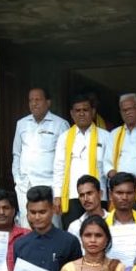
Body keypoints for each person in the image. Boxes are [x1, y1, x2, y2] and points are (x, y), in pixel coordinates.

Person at [12, 87, 70, 228]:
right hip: (25, 184)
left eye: (38, 99)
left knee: (52, 225)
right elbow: (16, 153)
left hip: (50, 185)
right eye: (31, 100)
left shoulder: (60, 124)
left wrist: (59, 190)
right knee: (26, 225)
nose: (34, 103)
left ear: (48, 102)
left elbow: (65, 159)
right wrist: (17, 179)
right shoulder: (21, 123)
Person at [54, 93, 109, 230]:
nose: (81, 114)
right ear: (72, 114)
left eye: (85, 110)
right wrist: (57, 195)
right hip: (72, 195)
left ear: (93, 112)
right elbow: (59, 168)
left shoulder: (106, 136)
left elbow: (110, 168)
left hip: (99, 195)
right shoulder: (64, 137)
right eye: (78, 110)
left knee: (99, 231)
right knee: (73, 232)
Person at [104, 173, 136, 267]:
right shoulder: (101, 226)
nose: (124, 197)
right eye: (119, 193)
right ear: (110, 195)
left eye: (129, 193)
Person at [65, 175, 107, 239]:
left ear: (100, 194)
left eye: (89, 193)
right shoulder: (75, 227)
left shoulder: (113, 221)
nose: (85, 199)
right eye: (82, 195)